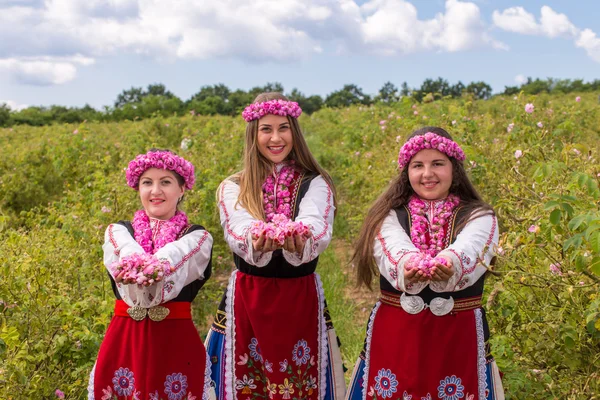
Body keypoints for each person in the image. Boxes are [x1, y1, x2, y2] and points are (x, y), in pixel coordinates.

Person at [346, 127, 504, 400]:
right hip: (397, 334)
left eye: (438, 164)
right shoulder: (388, 215)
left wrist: (450, 263)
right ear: (406, 172)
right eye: (417, 165)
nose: (427, 173)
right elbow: (392, 247)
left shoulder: (481, 216)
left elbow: (472, 247)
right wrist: (409, 265)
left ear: (454, 169)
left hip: (456, 336)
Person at [205, 93, 345, 400]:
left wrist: (300, 238)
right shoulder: (234, 186)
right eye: (266, 129)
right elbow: (237, 226)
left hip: (299, 298)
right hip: (248, 297)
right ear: (253, 135)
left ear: (295, 132)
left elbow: (316, 224)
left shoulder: (315, 182)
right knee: (245, 382)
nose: (276, 137)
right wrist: (256, 239)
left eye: (284, 128)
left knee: (300, 384)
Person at [88, 149, 214, 400]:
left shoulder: (197, 237)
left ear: (182, 189)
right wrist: (140, 265)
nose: (155, 191)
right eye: (147, 182)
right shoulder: (119, 232)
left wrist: (151, 268)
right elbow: (126, 252)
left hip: (175, 341)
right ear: (138, 189)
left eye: (165, 182)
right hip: (125, 340)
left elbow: (176, 256)